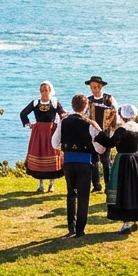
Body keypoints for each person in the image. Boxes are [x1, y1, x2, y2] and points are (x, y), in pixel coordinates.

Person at [51, 93, 106, 237]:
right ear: (86, 106)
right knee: (84, 196)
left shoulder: (64, 122)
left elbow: (54, 143)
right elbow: (100, 146)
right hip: (85, 163)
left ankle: (71, 227)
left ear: (72, 105)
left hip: (68, 162)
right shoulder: (90, 123)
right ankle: (80, 229)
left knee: (71, 194)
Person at [100, 104, 138, 233]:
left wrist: (100, 136)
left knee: (124, 190)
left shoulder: (122, 130)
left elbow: (111, 143)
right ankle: (135, 219)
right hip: (137, 160)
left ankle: (126, 223)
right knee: (136, 188)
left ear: (123, 116)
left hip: (123, 161)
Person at [19, 81, 65, 192]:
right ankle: (41, 185)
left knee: (52, 154)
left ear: (50, 91)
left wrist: (62, 122)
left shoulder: (54, 103)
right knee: (39, 154)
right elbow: (23, 113)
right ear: (40, 91)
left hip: (51, 132)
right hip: (38, 132)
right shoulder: (35, 103)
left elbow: (62, 114)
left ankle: (51, 184)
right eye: (42, 90)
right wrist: (28, 124)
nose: (44, 92)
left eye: (46, 89)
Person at [85, 76, 117, 193]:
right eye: (93, 86)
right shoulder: (88, 100)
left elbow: (115, 114)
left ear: (101, 86)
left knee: (106, 159)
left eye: (97, 86)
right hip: (92, 131)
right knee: (93, 159)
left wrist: (111, 130)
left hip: (106, 131)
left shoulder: (109, 99)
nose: (95, 89)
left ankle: (108, 184)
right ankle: (96, 184)